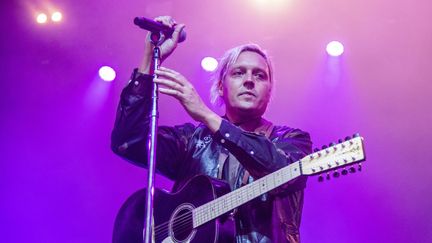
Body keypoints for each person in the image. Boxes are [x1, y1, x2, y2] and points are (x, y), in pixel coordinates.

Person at [111, 16, 312, 243]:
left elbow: (284, 173)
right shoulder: (192, 140)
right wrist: (150, 59)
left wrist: (206, 115)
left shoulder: (291, 139)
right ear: (220, 86)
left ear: (269, 90)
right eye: (238, 73)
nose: (249, 81)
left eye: (259, 75)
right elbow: (128, 141)